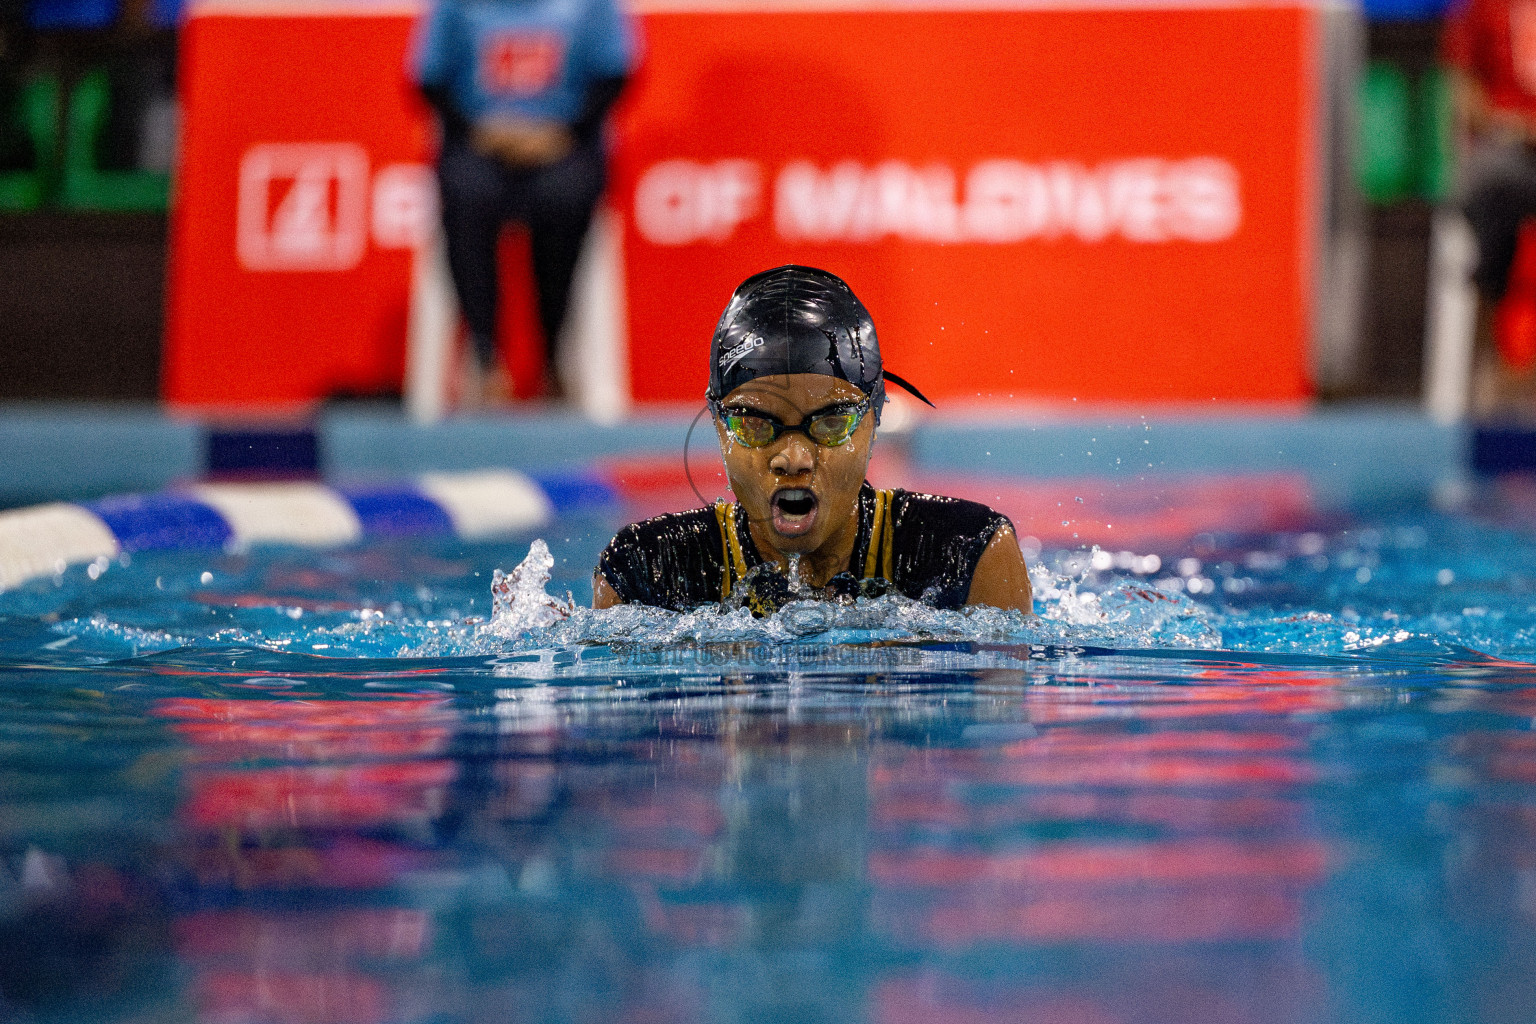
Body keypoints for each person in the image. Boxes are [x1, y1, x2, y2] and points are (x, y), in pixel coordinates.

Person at [593, 265, 1033, 615]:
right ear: (717, 424)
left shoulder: (965, 556)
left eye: (830, 423)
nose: (793, 458)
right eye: (754, 424)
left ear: (874, 419)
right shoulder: (646, 571)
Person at [412, 0, 636, 407]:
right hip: (478, 142)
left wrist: (559, 133)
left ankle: (553, 359)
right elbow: (430, 80)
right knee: (466, 195)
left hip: (565, 142)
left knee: (563, 199)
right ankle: (485, 358)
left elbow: (614, 76)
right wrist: (482, 131)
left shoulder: (592, 7)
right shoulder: (454, 7)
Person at [1445, 0, 1536, 409]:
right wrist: (1506, 124)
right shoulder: (1487, 7)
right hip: (1509, 145)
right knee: (1493, 183)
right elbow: (1463, 86)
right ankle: (1491, 339)